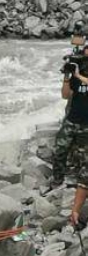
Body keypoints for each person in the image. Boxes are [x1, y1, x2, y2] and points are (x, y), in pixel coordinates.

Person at [50, 46, 88, 189]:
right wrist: (67, 77)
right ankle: (57, 179)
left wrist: (78, 76)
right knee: (59, 150)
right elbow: (65, 95)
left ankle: (82, 184)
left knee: (84, 158)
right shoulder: (76, 76)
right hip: (72, 120)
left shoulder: (79, 76)